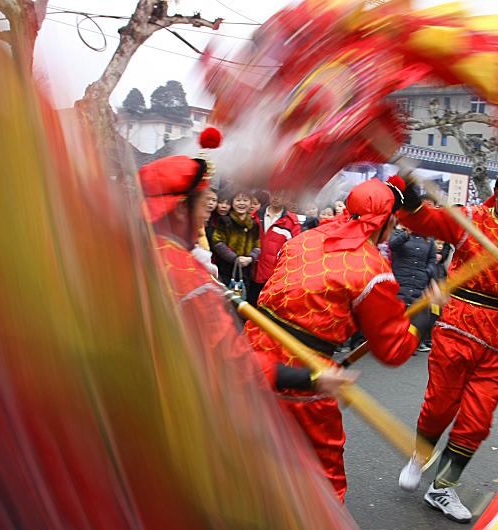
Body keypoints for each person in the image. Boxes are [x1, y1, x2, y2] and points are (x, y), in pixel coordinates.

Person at [245, 177, 447, 502]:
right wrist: (428, 313)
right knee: (323, 481)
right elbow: (394, 350)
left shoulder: (303, 240)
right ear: (387, 221)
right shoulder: (372, 269)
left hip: (250, 359)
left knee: (253, 462)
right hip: (306, 373)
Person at [395, 153, 498, 523]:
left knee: (478, 418)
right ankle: (420, 455)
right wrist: (409, 189)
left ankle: (442, 488)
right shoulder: (469, 219)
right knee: (440, 403)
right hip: (458, 321)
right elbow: (422, 219)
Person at [137, 130, 354, 413]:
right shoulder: (186, 276)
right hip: (172, 406)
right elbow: (234, 363)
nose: (206, 216)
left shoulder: (134, 251)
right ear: (180, 210)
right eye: (204, 206)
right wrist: (311, 377)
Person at [388, 225, 436, 352]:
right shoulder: (399, 232)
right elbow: (392, 245)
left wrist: (427, 272)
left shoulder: (429, 239)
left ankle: (407, 345)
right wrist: (406, 234)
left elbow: (432, 259)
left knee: (414, 312)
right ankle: (391, 343)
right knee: (397, 310)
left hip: (419, 280)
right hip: (400, 278)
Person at [252, 190, 302, 300]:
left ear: (287, 199)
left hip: (273, 276)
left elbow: (293, 253)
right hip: (251, 271)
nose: (276, 197)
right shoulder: (255, 215)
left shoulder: (291, 222)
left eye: (281, 195)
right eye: (275, 193)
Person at [211, 189, 261, 300]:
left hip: (246, 272)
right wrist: (235, 258)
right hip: (226, 270)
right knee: (225, 301)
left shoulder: (254, 224)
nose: (241, 203)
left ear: (250, 203)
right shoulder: (225, 221)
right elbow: (218, 242)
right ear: (233, 203)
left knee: (241, 302)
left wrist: (250, 258)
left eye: (245, 200)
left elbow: (257, 245)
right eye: (238, 200)